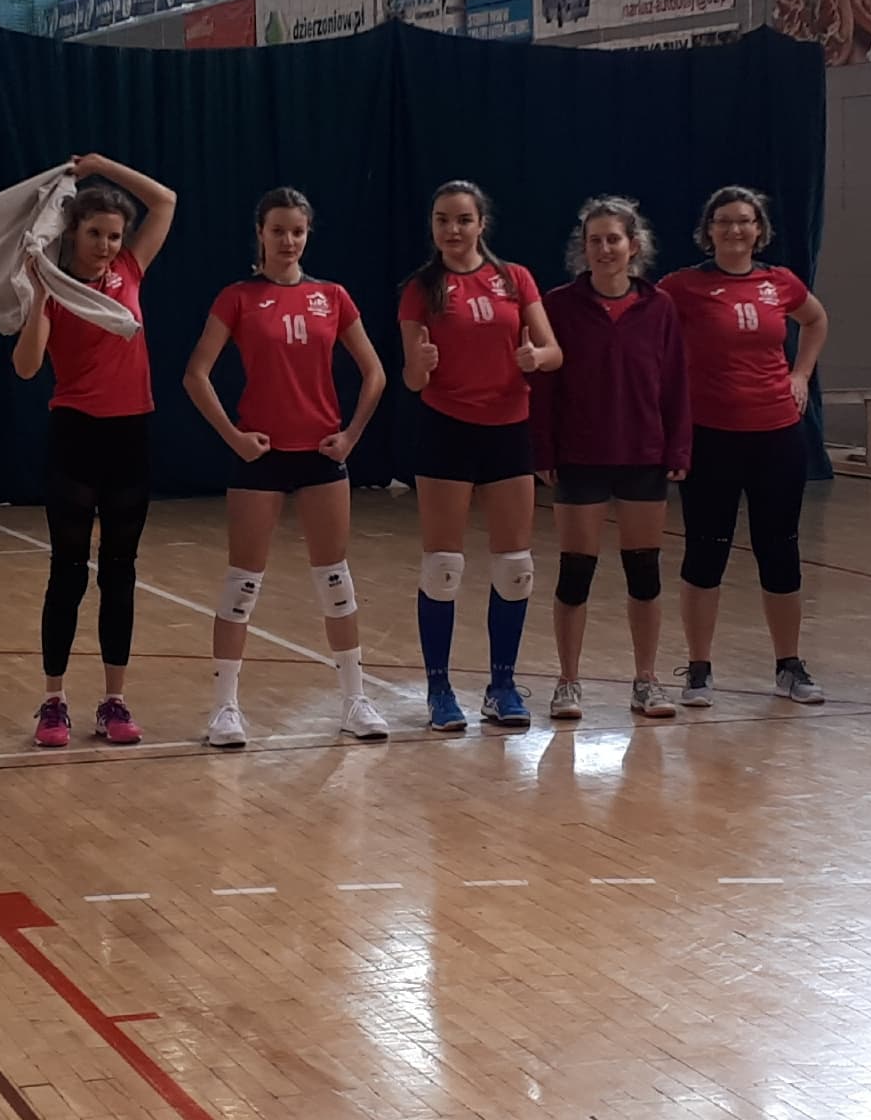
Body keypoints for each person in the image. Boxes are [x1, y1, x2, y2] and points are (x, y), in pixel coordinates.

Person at [181, 188, 390, 747]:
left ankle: (354, 700)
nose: (288, 240)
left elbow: (375, 373)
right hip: (262, 457)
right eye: (278, 230)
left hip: (320, 456)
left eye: (297, 231)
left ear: (307, 233)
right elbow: (196, 374)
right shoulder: (239, 297)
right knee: (242, 584)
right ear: (261, 233)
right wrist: (234, 437)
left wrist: (351, 435)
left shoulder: (332, 296)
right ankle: (225, 709)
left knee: (335, 581)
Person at [13, 153, 175, 748]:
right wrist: (37, 299)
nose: (106, 245)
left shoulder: (130, 268)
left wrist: (103, 165)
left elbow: (165, 200)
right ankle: (53, 701)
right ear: (73, 233)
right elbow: (27, 366)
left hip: (130, 434)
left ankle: (114, 700)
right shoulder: (54, 286)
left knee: (120, 571)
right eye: (95, 234)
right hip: (76, 435)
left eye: (113, 235)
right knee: (68, 570)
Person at [399, 180, 562, 732]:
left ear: (481, 224)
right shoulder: (421, 288)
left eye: (463, 219)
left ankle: (502, 686)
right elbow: (413, 380)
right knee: (443, 566)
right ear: (432, 226)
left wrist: (536, 357)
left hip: (507, 431)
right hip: (446, 430)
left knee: (515, 568)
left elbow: (553, 351)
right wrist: (421, 364)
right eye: (443, 220)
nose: (453, 229)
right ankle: (439, 691)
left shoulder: (515, 279)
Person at [662, 185, 830, 707]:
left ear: (759, 230)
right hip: (710, 437)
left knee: (779, 549)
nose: (735, 229)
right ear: (708, 230)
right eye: (724, 221)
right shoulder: (684, 286)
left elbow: (816, 319)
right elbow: (647, 331)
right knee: (705, 550)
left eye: (745, 220)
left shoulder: (779, 282)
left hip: (777, 434)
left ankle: (788, 665)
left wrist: (801, 375)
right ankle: (698, 669)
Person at [531, 197, 690, 720]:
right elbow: (545, 386)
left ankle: (646, 680)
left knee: (644, 572)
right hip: (580, 455)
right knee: (576, 572)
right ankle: (567, 682)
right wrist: (543, 448)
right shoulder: (559, 305)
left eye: (613, 239)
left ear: (633, 245)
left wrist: (678, 446)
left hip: (643, 453)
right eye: (595, 240)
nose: (604, 249)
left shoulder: (659, 307)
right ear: (584, 247)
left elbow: (675, 382)